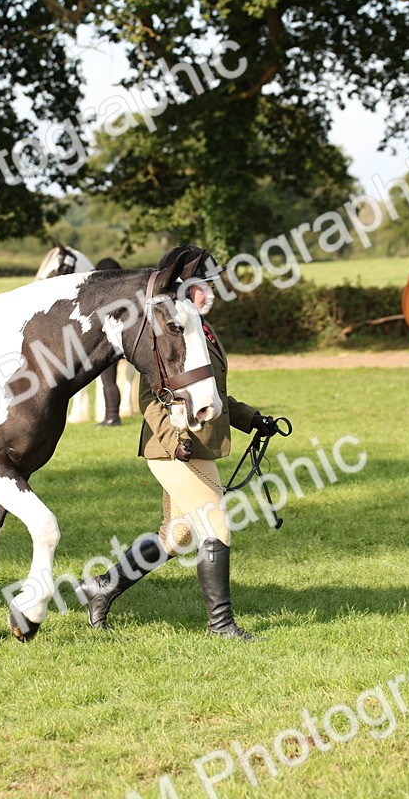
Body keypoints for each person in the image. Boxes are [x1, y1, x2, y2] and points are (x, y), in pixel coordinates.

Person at [78, 246, 279, 640]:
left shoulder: (202, 330)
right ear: (186, 288)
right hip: (173, 448)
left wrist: (252, 418)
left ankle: (101, 588)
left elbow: (214, 395)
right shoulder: (162, 333)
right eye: (207, 283)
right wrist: (174, 441)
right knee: (217, 523)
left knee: (178, 535)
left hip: (200, 444)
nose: (214, 290)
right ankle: (220, 625)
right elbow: (149, 399)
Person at [94, 257, 125, 426]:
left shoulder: (104, 294)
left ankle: (112, 416)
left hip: (110, 343)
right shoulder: (124, 291)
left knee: (108, 381)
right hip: (123, 341)